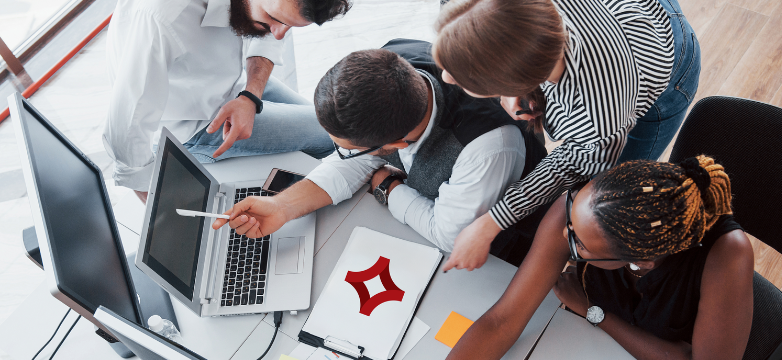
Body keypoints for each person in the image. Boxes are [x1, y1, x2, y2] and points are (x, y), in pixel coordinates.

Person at [364, 155, 754, 360]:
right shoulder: (582, 208)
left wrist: (594, 313)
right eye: (570, 224)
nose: (562, 237)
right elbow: (502, 320)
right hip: (590, 356)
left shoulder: (727, 255)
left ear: (639, 259)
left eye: (579, 246)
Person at [213, 39, 546, 263]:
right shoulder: (389, 65)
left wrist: (388, 188)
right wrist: (282, 206)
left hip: (508, 247)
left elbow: (449, 235)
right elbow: (357, 162)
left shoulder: (487, 147)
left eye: (349, 149)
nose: (341, 153)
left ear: (397, 145)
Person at [434, 0, 702, 271]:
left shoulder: (597, 119)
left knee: (611, 205)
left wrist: (489, 223)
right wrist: (521, 83)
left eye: (460, 78)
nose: (445, 77)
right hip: (633, 11)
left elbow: (567, 167)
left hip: (666, 61)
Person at [102, 0, 351, 202]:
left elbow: (267, 34)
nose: (278, 34)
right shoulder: (160, 16)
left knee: (337, 126)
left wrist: (250, 95)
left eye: (289, 25)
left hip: (233, 82)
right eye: (273, 19)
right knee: (336, 134)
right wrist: (157, 204)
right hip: (194, 123)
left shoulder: (268, 7)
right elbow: (125, 124)